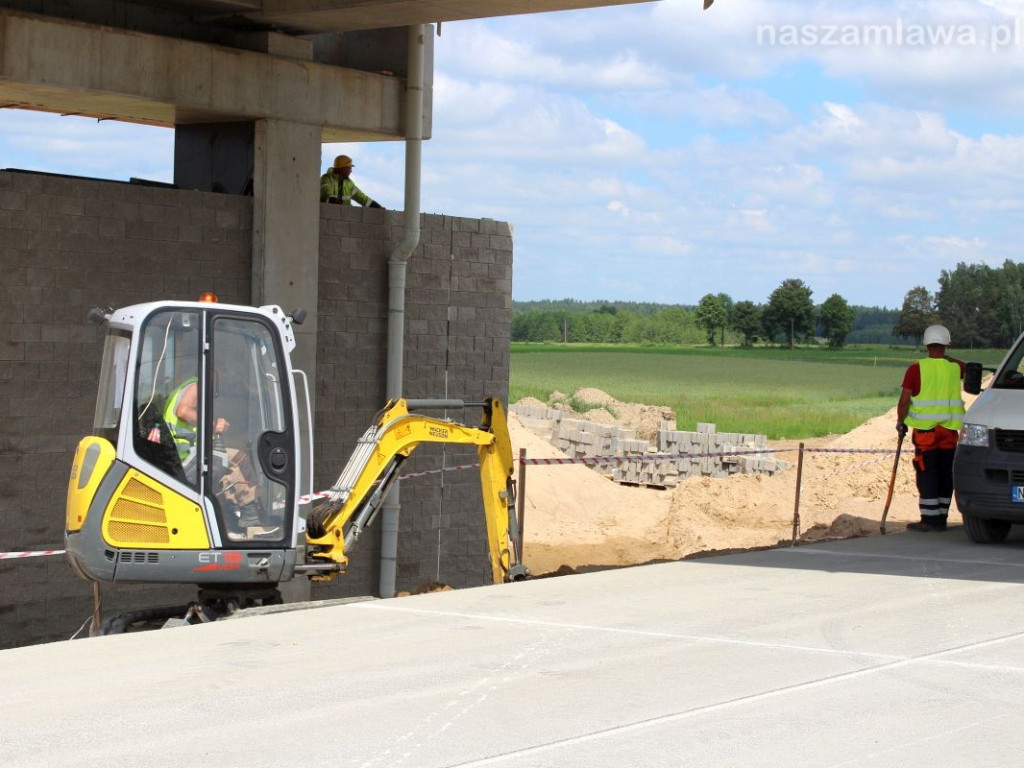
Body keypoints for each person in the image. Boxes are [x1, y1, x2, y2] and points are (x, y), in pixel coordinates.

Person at [896, 324, 966, 532]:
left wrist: (901, 422)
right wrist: (946, 358)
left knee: (927, 473)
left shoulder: (916, 369)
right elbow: (968, 367)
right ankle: (942, 517)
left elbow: (904, 401)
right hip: (949, 432)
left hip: (926, 433)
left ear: (926, 344)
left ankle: (929, 519)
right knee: (946, 473)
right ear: (946, 345)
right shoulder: (954, 368)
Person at [319, 154, 384, 208]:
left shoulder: (349, 184)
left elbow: (363, 199)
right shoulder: (327, 179)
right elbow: (326, 193)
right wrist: (333, 201)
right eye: (348, 168)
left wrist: (377, 206)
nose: (350, 171)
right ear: (341, 168)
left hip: (343, 217)